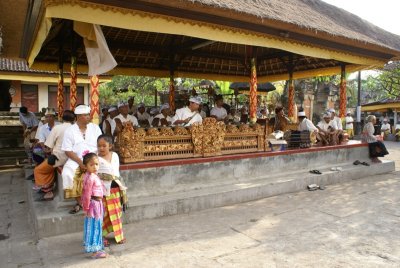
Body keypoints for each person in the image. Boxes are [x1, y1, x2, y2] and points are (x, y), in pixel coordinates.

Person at [61, 104, 102, 213]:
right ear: (79, 117)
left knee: (100, 172)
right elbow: (67, 150)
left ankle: (97, 200)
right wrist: (80, 162)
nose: (89, 117)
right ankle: (80, 202)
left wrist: (94, 160)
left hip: (94, 158)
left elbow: (101, 144)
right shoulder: (70, 130)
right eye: (86, 115)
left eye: (89, 114)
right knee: (67, 174)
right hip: (76, 159)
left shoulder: (95, 127)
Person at [33, 110, 75, 201]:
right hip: (72, 157)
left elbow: (49, 145)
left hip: (59, 158)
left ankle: (48, 191)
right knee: (48, 165)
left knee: (38, 170)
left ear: (61, 118)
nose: (48, 118)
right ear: (74, 118)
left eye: (50, 116)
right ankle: (49, 186)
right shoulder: (76, 128)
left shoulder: (57, 128)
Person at [97, 135, 128, 246]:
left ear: (110, 146)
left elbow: (116, 173)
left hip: (116, 189)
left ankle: (119, 236)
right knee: (103, 214)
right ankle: (100, 237)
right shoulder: (95, 159)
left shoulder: (115, 155)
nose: (101, 148)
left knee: (116, 213)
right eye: (99, 146)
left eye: (104, 146)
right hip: (102, 191)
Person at [81, 153, 107, 259]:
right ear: (86, 166)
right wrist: (86, 208)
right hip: (93, 206)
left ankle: (96, 247)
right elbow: (86, 194)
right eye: (92, 165)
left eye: (96, 164)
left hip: (97, 204)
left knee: (94, 225)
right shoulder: (90, 177)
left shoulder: (93, 175)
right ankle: (95, 251)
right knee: (95, 226)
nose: (95, 167)